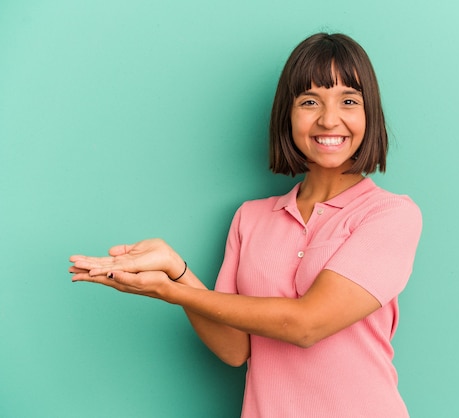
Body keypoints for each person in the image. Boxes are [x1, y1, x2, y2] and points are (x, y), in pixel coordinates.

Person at [70, 32, 422, 418]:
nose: (328, 119)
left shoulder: (389, 215)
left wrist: (171, 294)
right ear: (287, 115)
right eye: (309, 101)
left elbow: (307, 324)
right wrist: (176, 271)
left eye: (349, 101)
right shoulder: (250, 218)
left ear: (369, 114)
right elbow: (235, 350)